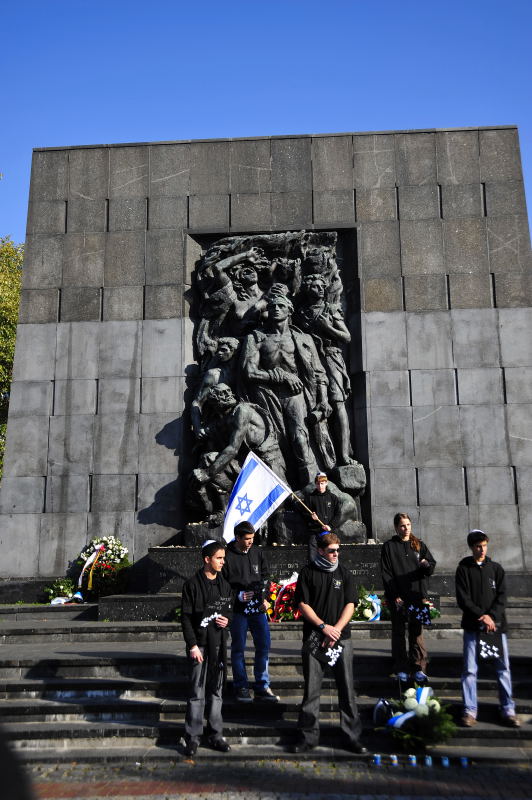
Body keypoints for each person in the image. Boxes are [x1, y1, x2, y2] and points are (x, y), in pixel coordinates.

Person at [292, 532, 367, 754]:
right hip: (315, 639)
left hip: (341, 639)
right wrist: (323, 627)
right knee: (311, 690)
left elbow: (351, 604)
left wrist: (336, 630)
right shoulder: (308, 572)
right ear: (320, 551)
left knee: (347, 689)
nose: (336, 554)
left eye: (338, 550)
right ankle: (308, 737)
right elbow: (303, 604)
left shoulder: (344, 573)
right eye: (332, 550)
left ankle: (352, 736)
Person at [455, 529, 520, 728]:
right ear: (471, 547)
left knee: (503, 669)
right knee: (469, 670)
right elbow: (463, 598)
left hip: (495, 627)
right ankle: (470, 710)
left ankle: (508, 709)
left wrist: (491, 616)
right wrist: (481, 616)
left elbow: (502, 596)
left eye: (484, 545)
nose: (482, 549)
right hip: (473, 627)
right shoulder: (463, 569)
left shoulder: (496, 569)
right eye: (478, 546)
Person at [180, 540, 233, 756]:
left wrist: (227, 620)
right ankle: (193, 736)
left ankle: (216, 734)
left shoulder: (225, 584)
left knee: (216, 691)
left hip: (218, 644)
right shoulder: (191, 585)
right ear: (207, 559)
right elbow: (186, 618)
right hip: (199, 645)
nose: (223, 562)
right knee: (196, 691)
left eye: (223, 558)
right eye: (219, 558)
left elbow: (229, 609)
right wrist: (192, 645)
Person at [222, 521, 280, 702]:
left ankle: (262, 685)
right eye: (247, 539)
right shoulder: (227, 555)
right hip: (238, 610)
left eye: (252, 538)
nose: (250, 542)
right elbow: (221, 584)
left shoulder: (257, 552)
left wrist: (266, 598)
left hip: (257, 608)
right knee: (238, 648)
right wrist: (236, 596)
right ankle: (241, 686)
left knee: (263, 645)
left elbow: (266, 577)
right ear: (237, 537)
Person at [380, 513, 436, 683]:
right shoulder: (389, 547)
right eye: (402, 526)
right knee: (398, 633)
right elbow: (386, 573)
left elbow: (431, 567)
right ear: (396, 527)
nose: (406, 529)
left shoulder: (419, 544)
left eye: (408, 525)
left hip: (417, 595)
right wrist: (394, 595)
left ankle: (419, 667)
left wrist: (427, 565)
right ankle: (400, 667)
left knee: (417, 633)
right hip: (399, 598)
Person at [302, 471, 342, 560]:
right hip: (314, 533)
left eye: (322, 483)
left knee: (330, 557)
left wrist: (330, 526)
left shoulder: (333, 498)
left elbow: (338, 514)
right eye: (318, 483)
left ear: (326, 483)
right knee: (312, 558)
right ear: (315, 484)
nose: (320, 486)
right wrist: (311, 517)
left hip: (329, 533)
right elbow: (304, 513)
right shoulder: (310, 498)